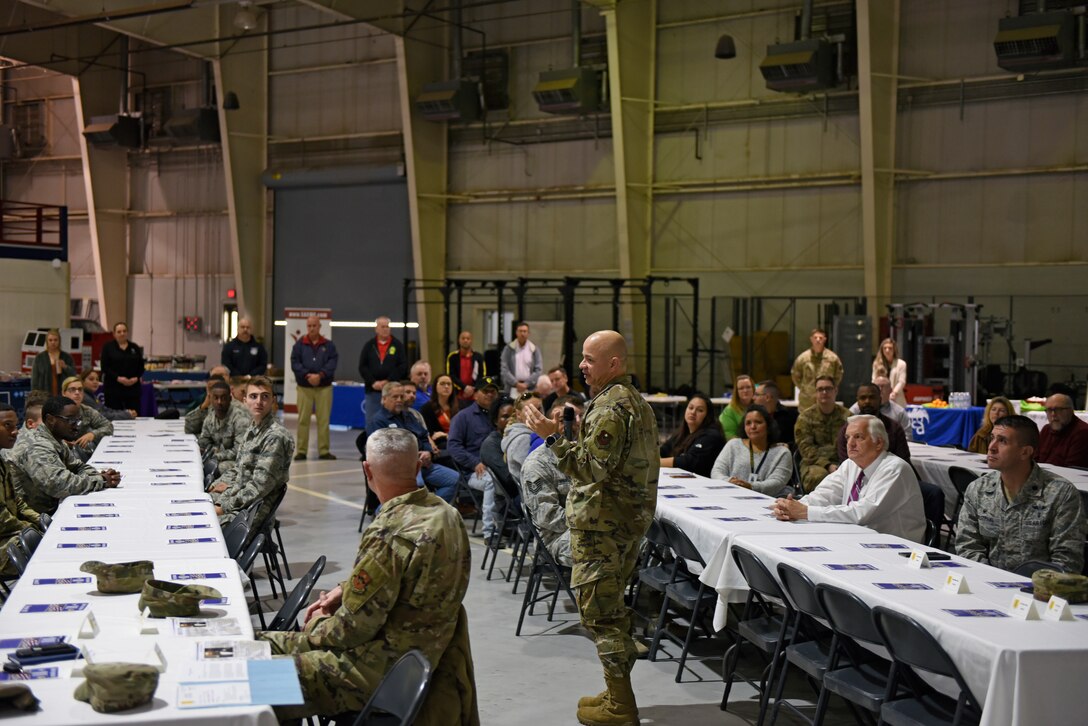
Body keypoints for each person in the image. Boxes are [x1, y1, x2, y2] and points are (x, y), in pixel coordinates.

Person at [258, 427, 474, 721]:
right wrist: (344, 589)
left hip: (377, 668)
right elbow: (410, 580)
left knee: (257, 676)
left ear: (366, 470)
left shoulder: (389, 533)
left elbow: (351, 629)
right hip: (419, 660)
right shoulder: (446, 514)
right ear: (417, 465)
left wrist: (318, 624)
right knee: (262, 647)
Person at [523, 330, 658, 726]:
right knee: (610, 609)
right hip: (620, 524)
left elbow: (590, 468)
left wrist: (552, 439)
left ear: (613, 364)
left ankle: (621, 706)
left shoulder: (611, 409)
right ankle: (617, 690)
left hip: (604, 528)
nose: (581, 365)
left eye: (588, 358)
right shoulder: (631, 401)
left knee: (602, 615)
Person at [956, 415, 1085, 573]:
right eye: (992, 438)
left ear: (1025, 452)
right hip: (989, 583)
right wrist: (992, 579)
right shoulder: (979, 488)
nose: (991, 447)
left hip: (1039, 590)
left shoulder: (1060, 494)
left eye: (1002, 441)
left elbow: (1067, 561)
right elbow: (967, 546)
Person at [773, 415, 926, 542]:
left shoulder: (894, 469)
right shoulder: (850, 465)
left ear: (878, 442)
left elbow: (861, 513)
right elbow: (823, 495)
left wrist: (805, 512)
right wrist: (791, 507)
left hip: (896, 549)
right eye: (848, 437)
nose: (850, 443)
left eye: (858, 437)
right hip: (858, 540)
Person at [7, 396, 121, 514]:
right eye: (70, 420)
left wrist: (97, 476)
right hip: (32, 518)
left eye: (78, 420)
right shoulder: (36, 446)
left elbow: (78, 467)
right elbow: (59, 485)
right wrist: (100, 480)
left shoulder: (55, 439)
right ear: (50, 419)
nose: (77, 425)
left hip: (49, 510)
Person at [209, 377, 294, 527]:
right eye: (253, 396)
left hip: (252, 511)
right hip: (240, 499)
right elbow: (238, 468)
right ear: (245, 400)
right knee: (200, 505)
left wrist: (224, 506)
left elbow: (259, 487)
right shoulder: (253, 429)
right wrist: (216, 486)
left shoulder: (275, 436)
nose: (259, 402)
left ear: (273, 400)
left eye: (265, 397)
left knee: (203, 525)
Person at [366, 383, 460, 503]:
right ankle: (383, 512)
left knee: (455, 480)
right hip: (399, 470)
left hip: (423, 464)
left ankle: (428, 510)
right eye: (395, 397)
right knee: (416, 486)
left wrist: (428, 451)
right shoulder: (377, 422)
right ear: (384, 399)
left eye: (401, 396)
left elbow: (424, 436)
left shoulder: (409, 416)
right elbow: (381, 453)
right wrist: (412, 458)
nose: (399, 400)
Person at [521, 397, 585, 567]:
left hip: (593, 526)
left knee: (647, 536)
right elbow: (547, 517)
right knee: (602, 546)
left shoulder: (585, 455)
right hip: (557, 538)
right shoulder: (537, 463)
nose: (575, 423)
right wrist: (590, 521)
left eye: (580, 417)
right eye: (566, 420)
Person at [447, 377, 500, 538]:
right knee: (491, 482)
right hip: (472, 472)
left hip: (498, 466)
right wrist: (474, 462)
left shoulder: (501, 416)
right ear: (475, 394)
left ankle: (515, 523)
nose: (490, 395)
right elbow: (453, 446)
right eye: (485, 391)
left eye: (493, 392)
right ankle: (490, 532)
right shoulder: (463, 417)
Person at [711, 404, 793, 496]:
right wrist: (730, 482)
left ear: (768, 425)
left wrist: (751, 486)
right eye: (748, 423)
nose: (753, 427)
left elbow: (777, 482)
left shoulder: (782, 453)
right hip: (730, 495)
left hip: (768, 500)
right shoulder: (733, 445)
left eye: (758, 422)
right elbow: (716, 471)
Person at [0, 404, 41, 577]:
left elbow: (16, 502)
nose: (15, 431)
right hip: (4, 540)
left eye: (16, 426)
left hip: (8, 533)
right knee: (40, 552)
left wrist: (40, 520)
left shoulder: (2, 460)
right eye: (8, 425)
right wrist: (29, 527)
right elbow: (1, 518)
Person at [291, 315, 338, 461]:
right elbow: (295, 363)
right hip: (304, 387)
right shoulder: (299, 345)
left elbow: (333, 362)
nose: (312, 328)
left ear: (319, 326)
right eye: (309, 326)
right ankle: (301, 451)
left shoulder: (329, 345)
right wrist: (307, 376)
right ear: (307, 327)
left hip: (324, 387)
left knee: (323, 420)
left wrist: (321, 375)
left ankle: (324, 451)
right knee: (303, 420)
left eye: (314, 325)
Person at [795, 376, 851, 492]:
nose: (824, 392)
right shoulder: (805, 418)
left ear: (836, 390)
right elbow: (806, 449)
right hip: (815, 464)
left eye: (828, 389)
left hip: (843, 462)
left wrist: (844, 466)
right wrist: (828, 465)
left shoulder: (848, 416)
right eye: (820, 389)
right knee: (820, 477)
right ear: (816, 392)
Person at [837, 383, 910, 464]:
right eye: (863, 398)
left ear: (880, 400)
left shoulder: (894, 428)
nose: (867, 401)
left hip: (889, 472)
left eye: (872, 397)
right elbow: (844, 462)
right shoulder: (847, 429)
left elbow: (904, 461)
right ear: (857, 401)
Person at [659, 394, 725, 477]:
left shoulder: (712, 436)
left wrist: (655, 462)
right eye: (690, 408)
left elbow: (689, 462)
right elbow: (663, 450)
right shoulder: (681, 433)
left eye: (700, 410)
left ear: (708, 416)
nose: (693, 412)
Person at [358, 316, 408, 425]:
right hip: (373, 391)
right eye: (382, 326)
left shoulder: (398, 345)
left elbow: (402, 366)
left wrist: (388, 381)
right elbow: (362, 367)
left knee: (392, 420)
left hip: (392, 391)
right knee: (372, 421)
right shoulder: (369, 346)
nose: (385, 329)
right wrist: (373, 382)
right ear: (376, 329)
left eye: (387, 326)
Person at [198, 380, 252, 476]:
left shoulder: (240, 419)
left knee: (215, 467)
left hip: (242, 461)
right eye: (216, 398)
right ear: (210, 399)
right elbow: (204, 442)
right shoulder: (210, 418)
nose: (219, 402)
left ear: (230, 399)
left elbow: (239, 451)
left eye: (223, 398)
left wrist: (216, 456)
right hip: (221, 457)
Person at [791, 328, 843, 412]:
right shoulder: (803, 358)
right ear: (811, 339)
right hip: (807, 401)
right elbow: (795, 376)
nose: (818, 340)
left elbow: (838, 375)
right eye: (815, 338)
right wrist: (805, 388)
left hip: (826, 397)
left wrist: (831, 388)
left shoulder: (832, 358)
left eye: (820, 338)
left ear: (825, 339)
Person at [60, 376, 113, 456]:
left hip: (81, 449)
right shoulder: (56, 411)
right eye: (72, 389)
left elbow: (109, 426)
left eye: (80, 389)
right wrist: (61, 440)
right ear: (64, 393)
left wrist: (92, 434)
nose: (77, 392)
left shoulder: (86, 410)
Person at [480, 397, 518, 503]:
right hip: (512, 500)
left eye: (514, 416)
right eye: (505, 416)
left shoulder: (518, 437)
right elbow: (510, 480)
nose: (511, 420)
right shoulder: (491, 444)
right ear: (496, 421)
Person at [100, 321, 145, 412]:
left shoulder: (134, 347)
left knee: (135, 414)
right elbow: (104, 367)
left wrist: (136, 378)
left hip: (133, 388)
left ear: (127, 333)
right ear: (114, 334)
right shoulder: (108, 347)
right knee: (114, 414)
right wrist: (118, 378)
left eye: (124, 331)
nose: (122, 334)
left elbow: (141, 366)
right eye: (119, 332)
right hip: (113, 388)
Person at [501, 392, 543, 486]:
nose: (537, 413)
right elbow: (533, 475)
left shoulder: (535, 432)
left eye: (539, 408)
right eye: (530, 410)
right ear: (518, 414)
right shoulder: (522, 439)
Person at [1038, 392, 1088, 468]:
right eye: (1049, 410)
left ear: (1071, 411)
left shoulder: (1083, 432)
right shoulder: (1046, 429)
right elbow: (1034, 458)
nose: (1053, 414)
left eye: (1058, 409)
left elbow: (1072, 469)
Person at [184, 365, 231, 435]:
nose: (219, 380)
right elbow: (189, 425)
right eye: (215, 376)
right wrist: (204, 406)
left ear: (229, 377)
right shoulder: (204, 397)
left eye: (221, 375)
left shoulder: (237, 394)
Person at [500, 321, 543, 397]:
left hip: (529, 388)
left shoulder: (534, 349)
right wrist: (516, 383)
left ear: (528, 333)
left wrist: (526, 384)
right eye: (520, 331)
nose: (522, 334)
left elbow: (538, 369)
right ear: (516, 332)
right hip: (512, 387)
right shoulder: (508, 349)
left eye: (524, 331)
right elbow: (504, 368)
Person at [419, 374, 460, 447]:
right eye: (442, 384)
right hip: (440, 445)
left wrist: (445, 435)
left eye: (449, 384)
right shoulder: (427, 409)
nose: (446, 386)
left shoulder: (461, 406)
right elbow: (429, 434)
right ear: (435, 387)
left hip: (459, 443)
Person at [30, 329, 75, 395]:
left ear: (59, 341)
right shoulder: (39, 358)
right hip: (44, 394)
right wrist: (34, 395)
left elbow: (73, 374)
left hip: (63, 394)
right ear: (47, 342)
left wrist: (65, 367)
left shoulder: (67, 357)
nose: (53, 342)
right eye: (50, 340)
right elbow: (34, 380)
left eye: (55, 340)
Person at [446, 330, 486, 402]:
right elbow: (451, 375)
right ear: (459, 340)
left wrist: (474, 389)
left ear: (471, 340)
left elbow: (482, 375)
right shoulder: (452, 357)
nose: (465, 340)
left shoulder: (479, 357)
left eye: (468, 338)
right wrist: (464, 388)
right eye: (463, 338)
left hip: (475, 395)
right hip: (457, 395)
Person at [754, 380, 797, 448]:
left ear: (767, 397)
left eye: (756, 395)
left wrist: (788, 445)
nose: (753, 398)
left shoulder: (792, 417)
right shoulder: (752, 416)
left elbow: (799, 442)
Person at [868, 376, 911, 441]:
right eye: (877, 386)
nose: (879, 389)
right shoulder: (859, 408)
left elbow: (907, 437)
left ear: (890, 390)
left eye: (883, 386)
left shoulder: (899, 412)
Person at [872, 337, 907, 406]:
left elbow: (902, 381)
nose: (887, 350)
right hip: (880, 398)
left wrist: (894, 393)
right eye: (885, 348)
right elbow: (874, 380)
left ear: (894, 350)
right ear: (882, 350)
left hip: (897, 399)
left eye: (890, 348)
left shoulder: (901, 364)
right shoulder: (876, 363)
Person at [718, 375, 755, 440]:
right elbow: (729, 436)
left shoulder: (760, 406)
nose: (745, 390)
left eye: (748, 387)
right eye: (741, 388)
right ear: (736, 392)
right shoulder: (729, 411)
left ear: (753, 389)